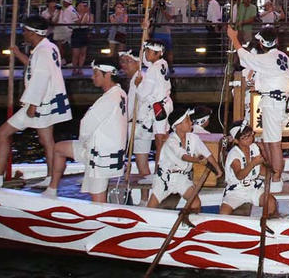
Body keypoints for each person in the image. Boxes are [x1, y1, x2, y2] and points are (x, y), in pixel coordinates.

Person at [0, 15, 72, 189]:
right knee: (47, 141)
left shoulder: (43, 51)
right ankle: (50, 175)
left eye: (25, 31)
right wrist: (17, 54)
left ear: (32, 33)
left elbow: (41, 78)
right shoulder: (49, 47)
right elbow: (34, 66)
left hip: (40, 104)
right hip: (48, 103)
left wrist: (33, 104)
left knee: (2, 133)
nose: (23, 34)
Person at [44, 62, 127, 201]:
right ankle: (51, 189)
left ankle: (101, 220)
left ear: (107, 75)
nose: (92, 77)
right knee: (58, 148)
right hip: (108, 152)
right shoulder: (121, 93)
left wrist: (84, 142)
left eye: (95, 74)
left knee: (98, 197)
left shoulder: (109, 99)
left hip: (100, 156)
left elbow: (86, 125)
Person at [228, 24, 289, 179]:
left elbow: (244, 57)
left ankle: (276, 177)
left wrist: (233, 37)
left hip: (273, 102)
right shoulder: (283, 56)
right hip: (282, 101)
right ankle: (274, 174)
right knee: (270, 141)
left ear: (262, 43)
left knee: (274, 143)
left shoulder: (267, 59)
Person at [148, 107, 221, 210]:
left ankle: (190, 223)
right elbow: (183, 156)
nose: (191, 122)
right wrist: (198, 160)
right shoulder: (171, 141)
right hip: (165, 178)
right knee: (150, 207)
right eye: (187, 120)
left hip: (182, 178)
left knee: (195, 203)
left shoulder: (194, 138)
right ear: (178, 126)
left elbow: (207, 154)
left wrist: (217, 169)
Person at [129, 26, 173, 182]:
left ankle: (158, 173)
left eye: (149, 52)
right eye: (146, 51)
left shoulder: (153, 70)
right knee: (162, 138)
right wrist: (146, 31)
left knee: (160, 139)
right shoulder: (162, 64)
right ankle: (161, 170)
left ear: (157, 53)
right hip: (164, 104)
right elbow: (145, 61)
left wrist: (138, 83)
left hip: (158, 107)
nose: (146, 55)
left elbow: (143, 93)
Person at [220, 122, 279, 216]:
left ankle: (269, 225)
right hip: (236, 190)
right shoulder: (234, 154)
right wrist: (253, 163)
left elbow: (262, 171)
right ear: (236, 140)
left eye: (250, 135)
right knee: (224, 213)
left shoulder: (254, 147)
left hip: (252, 187)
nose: (249, 139)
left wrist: (267, 163)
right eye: (244, 138)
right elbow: (239, 175)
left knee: (271, 202)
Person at [52, 0, 78, 70]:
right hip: (64, 28)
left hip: (63, 28)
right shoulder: (66, 10)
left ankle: (65, 61)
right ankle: (64, 61)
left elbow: (76, 20)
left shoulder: (68, 10)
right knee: (62, 46)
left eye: (64, 2)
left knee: (62, 46)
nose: (63, 4)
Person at [69, 0, 93, 73]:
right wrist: (83, 14)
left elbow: (90, 23)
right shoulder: (73, 13)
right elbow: (78, 23)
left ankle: (80, 68)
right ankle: (74, 68)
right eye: (80, 6)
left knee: (83, 52)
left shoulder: (88, 14)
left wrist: (88, 14)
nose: (82, 7)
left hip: (84, 32)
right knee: (75, 53)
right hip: (77, 32)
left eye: (83, 6)